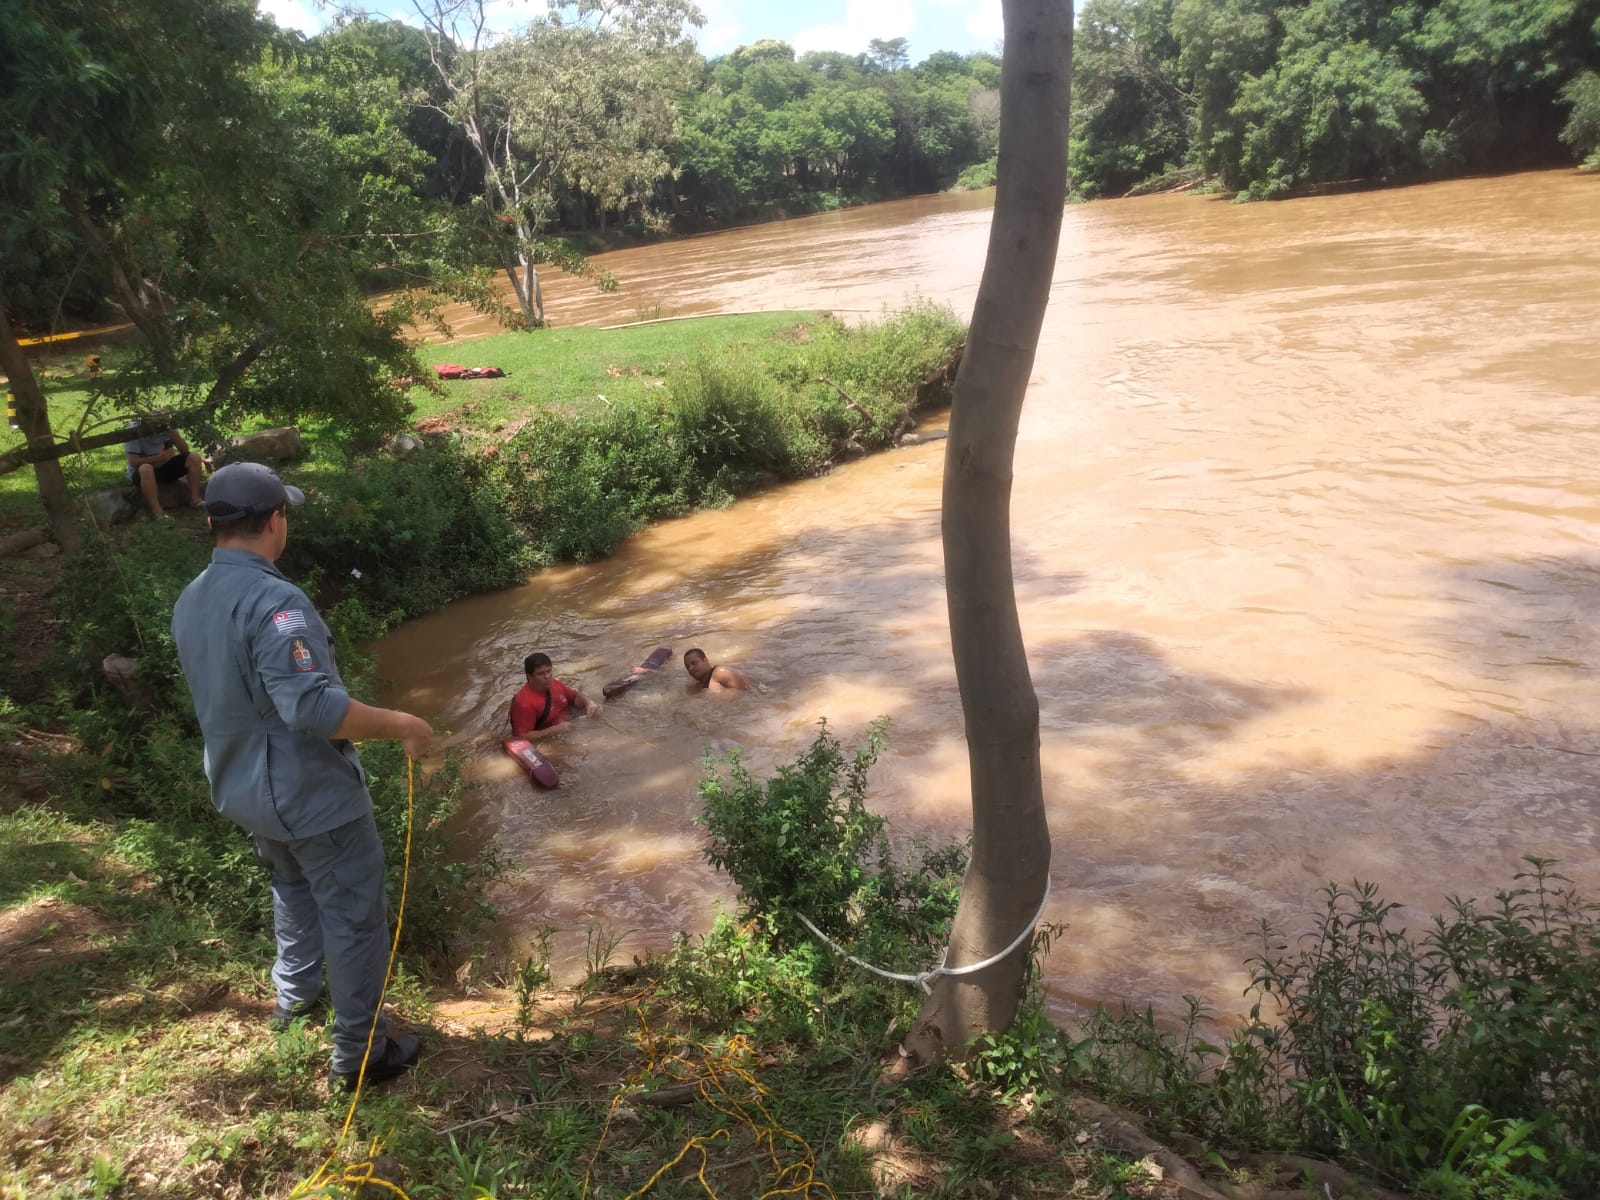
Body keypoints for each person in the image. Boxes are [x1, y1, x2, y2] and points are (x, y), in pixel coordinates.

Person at [171, 462, 433, 1094]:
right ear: (276, 519)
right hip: (309, 798)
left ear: (213, 523)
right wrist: (403, 724)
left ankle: (293, 1003)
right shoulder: (275, 601)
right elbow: (312, 707)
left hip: (243, 792)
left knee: (292, 890)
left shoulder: (193, 597)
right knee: (353, 917)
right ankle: (361, 1055)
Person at [510, 652, 600, 738]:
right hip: (553, 733)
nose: (547, 676)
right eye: (541, 674)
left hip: (569, 722)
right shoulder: (524, 703)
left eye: (549, 671)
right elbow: (521, 736)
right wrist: (553, 730)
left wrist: (588, 703)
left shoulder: (554, 684)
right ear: (530, 677)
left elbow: (574, 696)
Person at [124, 422, 204, 519]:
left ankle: (195, 499)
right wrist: (158, 458)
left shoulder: (168, 426)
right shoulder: (134, 430)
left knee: (194, 457)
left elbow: (184, 450)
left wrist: (173, 434)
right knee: (146, 468)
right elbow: (133, 462)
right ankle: (157, 511)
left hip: (165, 466)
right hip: (143, 472)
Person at [683, 648, 753, 692]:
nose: (690, 668)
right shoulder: (697, 686)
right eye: (687, 666)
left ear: (705, 660)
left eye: (694, 663)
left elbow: (749, 693)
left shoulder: (720, 673)